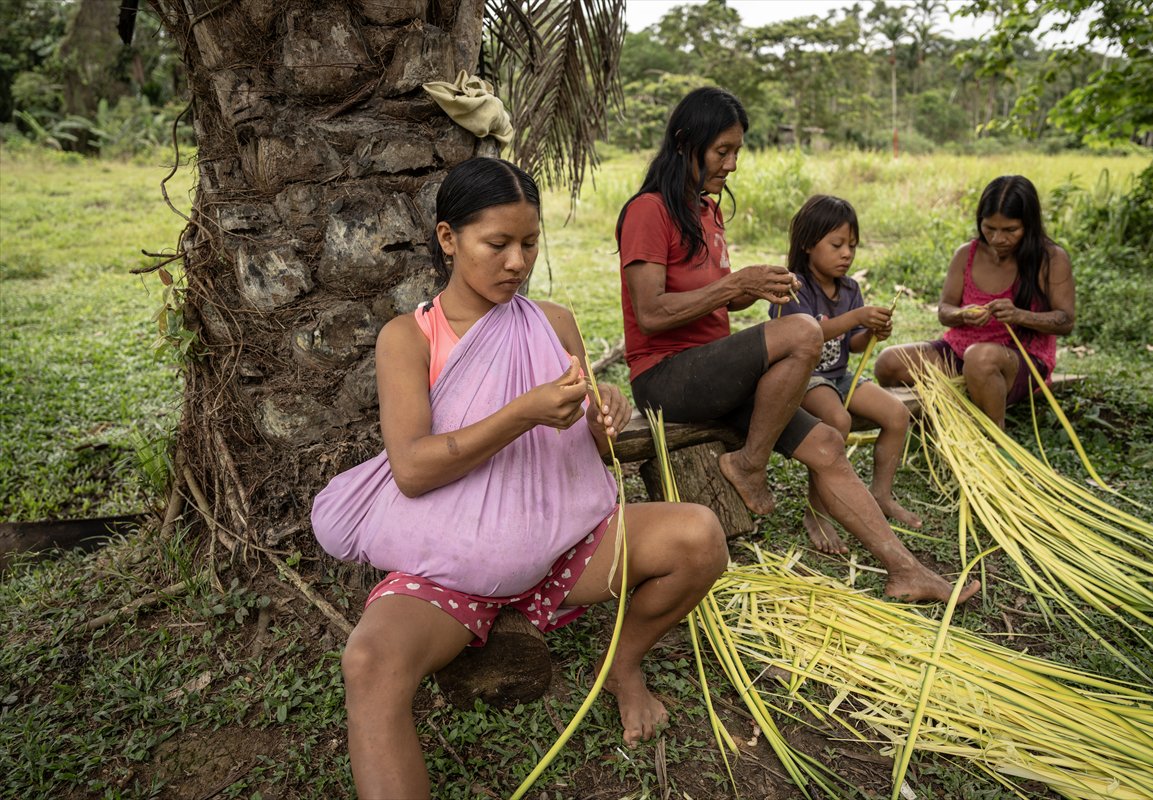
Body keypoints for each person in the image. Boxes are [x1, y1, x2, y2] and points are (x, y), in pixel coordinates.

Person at [311, 157, 728, 800]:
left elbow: (594, 450)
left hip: (565, 550)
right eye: (497, 244)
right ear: (449, 239)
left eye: (529, 243)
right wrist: (521, 413)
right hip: (446, 569)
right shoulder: (409, 339)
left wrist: (604, 412)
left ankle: (620, 667)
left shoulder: (552, 323)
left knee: (699, 536)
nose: (517, 262)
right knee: (369, 664)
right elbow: (414, 469)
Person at [616, 86, 976, 603]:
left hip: (713, 373)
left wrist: (755, 286)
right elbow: (651, 314)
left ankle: (906, 570)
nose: (732, 164)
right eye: (722, 151)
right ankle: (748, 464)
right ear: (684, 143)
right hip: (666, 377)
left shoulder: (707, 212)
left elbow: (717, 303)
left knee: (828, 442)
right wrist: (733, 285)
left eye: (737, 151)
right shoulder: (649, 211)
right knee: (804, 330)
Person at [770, 195, 922, 550]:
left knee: (897, 415)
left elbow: (853, 343)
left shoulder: (850, 288)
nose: (846, 254)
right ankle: (817, 510)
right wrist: (856, 317)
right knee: (837, 421)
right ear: (808, 243)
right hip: (803, 378)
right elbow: (805, 335)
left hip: (838, 375)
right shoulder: (793, 287)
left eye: (852, 246)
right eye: (837, 244)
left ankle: (881, 495)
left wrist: (871, 332)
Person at [874, 175, 1075, 428]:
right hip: (960, 354)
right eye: (989, 228)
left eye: (1010, 230)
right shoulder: (966, 254)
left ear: (1030, 225)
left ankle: (992, 435)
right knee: (889, 362)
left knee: (980, 358)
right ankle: (955, 401)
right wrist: (961, 314)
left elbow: (1065, 321)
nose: (997, 238)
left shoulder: (1051, 259)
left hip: (1019, 361)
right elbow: (945, 311)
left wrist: (1019, 315)